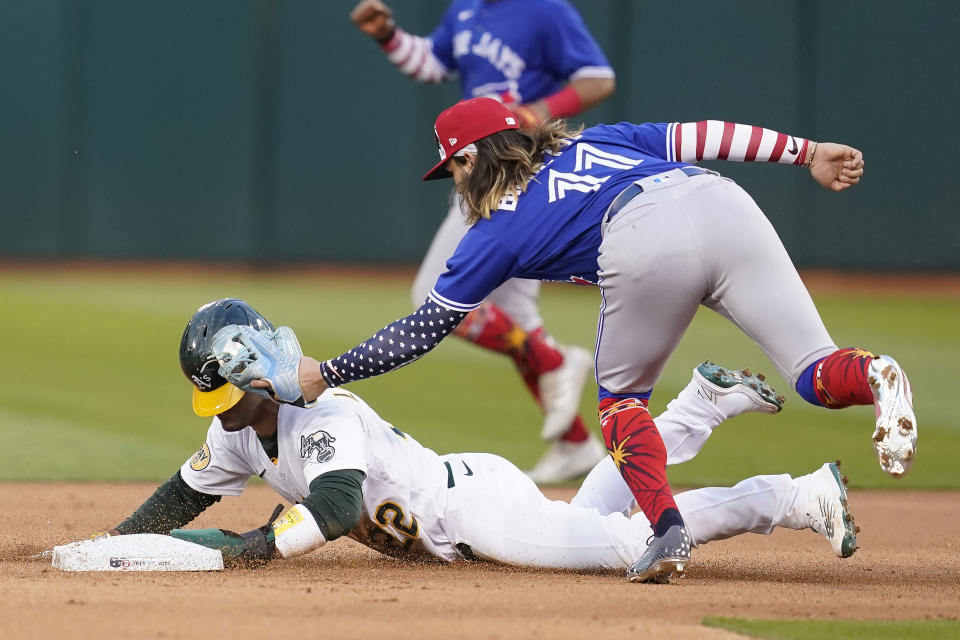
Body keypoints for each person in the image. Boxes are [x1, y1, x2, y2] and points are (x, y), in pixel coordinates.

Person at [221, 98, 915, 583]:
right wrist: (807, 153)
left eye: (454, 168)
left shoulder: (493, 232)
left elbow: (424, 328)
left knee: (620, 411)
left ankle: (668, 532)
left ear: (476, 155)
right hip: (723, 201)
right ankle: (878, 373)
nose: (456, 185)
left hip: (642, 242)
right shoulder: (602, 139)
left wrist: (328, 371)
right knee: (817, 371)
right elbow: (704, 134)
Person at [100, 298, 857, 585]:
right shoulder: (236, 429)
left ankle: (795, 496)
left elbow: (331, 509)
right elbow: (182, 493)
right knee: (592, 513)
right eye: (215, 399)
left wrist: (251, 548)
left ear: (259, 375)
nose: (222, 412)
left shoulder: (323, 415)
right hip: (470, 490)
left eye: (229, 393)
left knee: (633, 546)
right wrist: (113, 544)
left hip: (473, 515)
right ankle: (700, 406)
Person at [349, 0, 617, 482]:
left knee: (431, 292)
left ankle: (555, 360)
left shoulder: (544, 10)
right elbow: (432, 63)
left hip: (509, 167)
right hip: (478, 166)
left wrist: (539, 108)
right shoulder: (465, 10)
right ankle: (574, 442)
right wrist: (388, 36)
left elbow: (598, 78)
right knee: (514, 317)